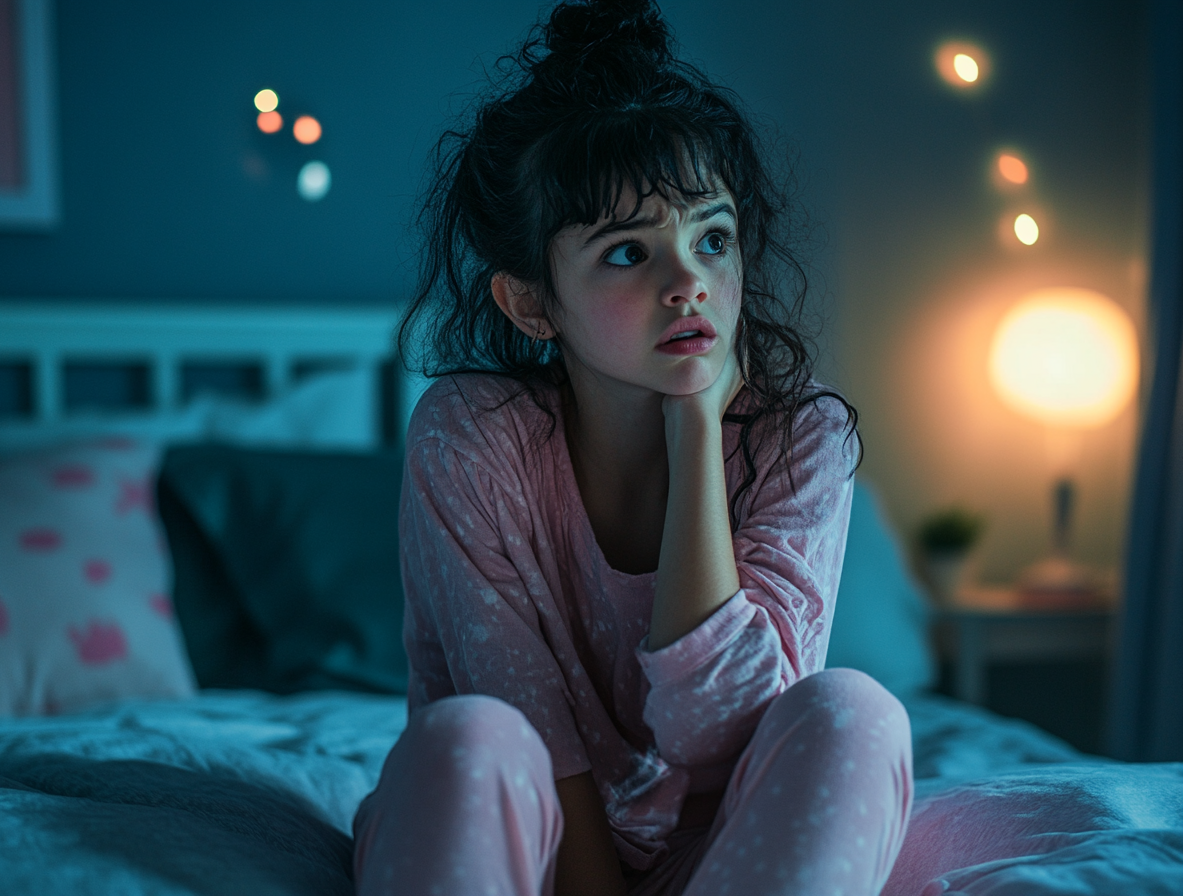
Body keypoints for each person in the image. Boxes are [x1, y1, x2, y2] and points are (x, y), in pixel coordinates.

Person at [352, 1, 913, 893]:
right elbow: (527, 725)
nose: (688, 280)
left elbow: (727, 733)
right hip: (532, 844)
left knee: (854, 712)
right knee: (470, 737)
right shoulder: (472, 439)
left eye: (713, 239)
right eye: (627, 254)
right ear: (532, 303)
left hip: (719, 854)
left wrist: (693, 427)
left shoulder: (804, 436)